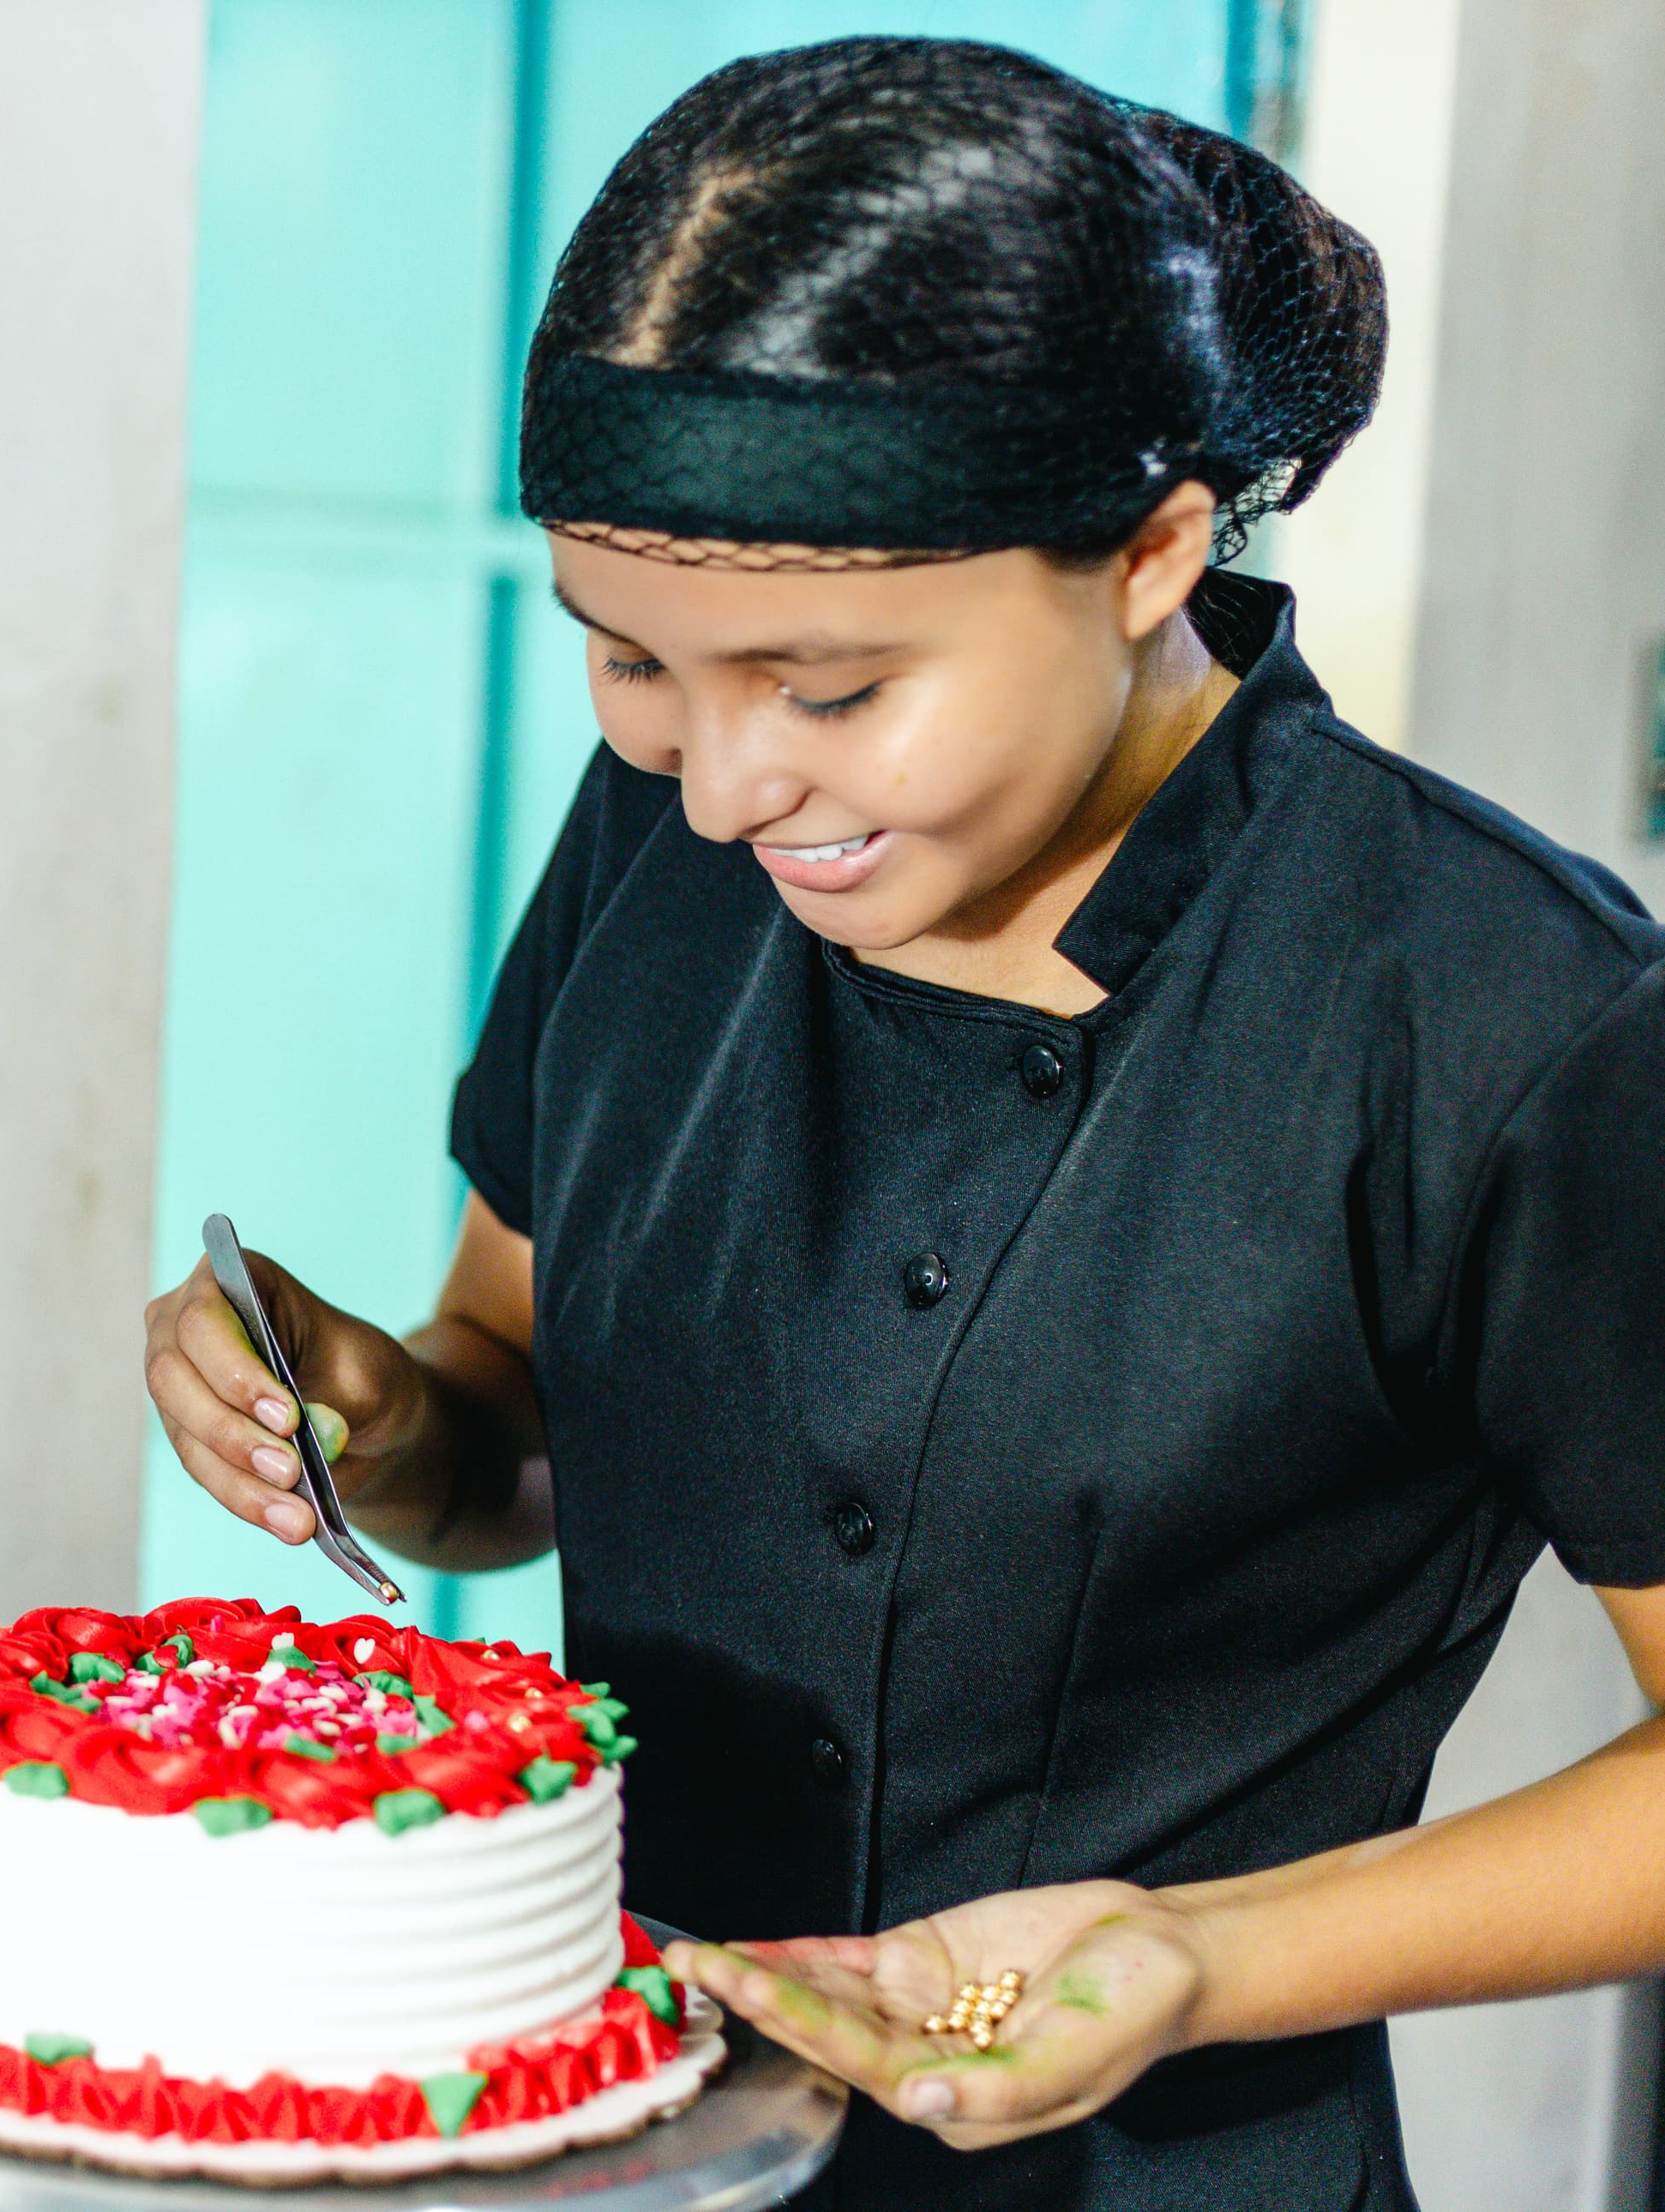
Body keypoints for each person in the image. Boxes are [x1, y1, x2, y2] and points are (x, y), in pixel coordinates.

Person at [141, 37, 1665, 2211]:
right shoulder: (663, 840)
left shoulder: (1504, 1014)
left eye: (834, 689)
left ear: (1145, 552)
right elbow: (519, 1438)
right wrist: (383, 1420)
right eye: (631, 659)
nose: (726, 783)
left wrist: (1198, 1956)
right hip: (611, 2140)